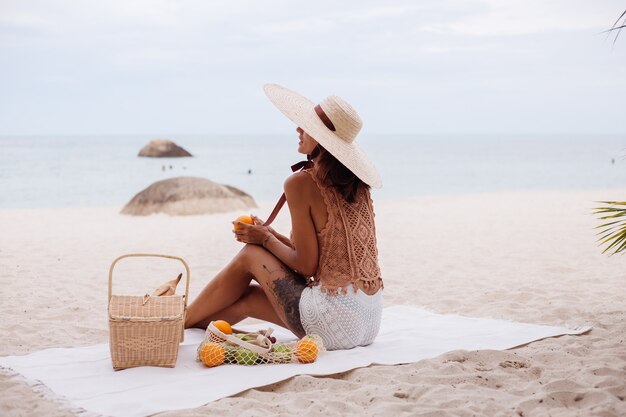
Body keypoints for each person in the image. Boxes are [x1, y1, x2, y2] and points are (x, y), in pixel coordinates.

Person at [184, 84, 384, 350]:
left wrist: (264, 239)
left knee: (249, 255)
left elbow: (306, 266)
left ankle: (177, 322)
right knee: (247, 299)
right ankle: (189, 327)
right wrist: (272, 235)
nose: (298, 130)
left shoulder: (300, 183)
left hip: (333, 323)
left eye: (305, 127)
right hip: (369, 321)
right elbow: (326, 257)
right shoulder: (358, 184)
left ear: (322, 140)